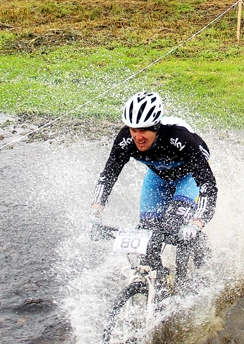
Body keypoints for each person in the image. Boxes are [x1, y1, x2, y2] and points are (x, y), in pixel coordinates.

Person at [90, 91, 217, 280]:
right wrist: (95, 211)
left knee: (173, 224)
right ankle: (157, 280)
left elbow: (208, 185)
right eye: (133, 130)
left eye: (144, 130)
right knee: (147, 232)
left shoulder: (179, 136)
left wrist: (198, 222)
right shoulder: (125, 139)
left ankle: (186, 279)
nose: (138, 137)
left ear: (156, 127)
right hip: (157, 179)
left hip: (187, 178)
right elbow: (108, 175)